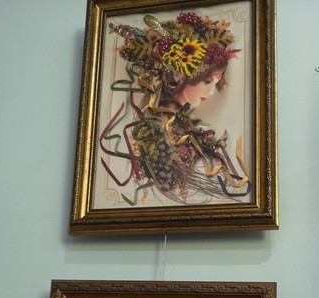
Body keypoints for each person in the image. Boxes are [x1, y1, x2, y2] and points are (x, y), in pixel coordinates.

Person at [100, 11, 250, 204]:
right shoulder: (152, 129)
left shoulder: (185, 125)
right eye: (206, 81)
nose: (211, 92)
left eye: (216, 83)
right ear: (180, 75)